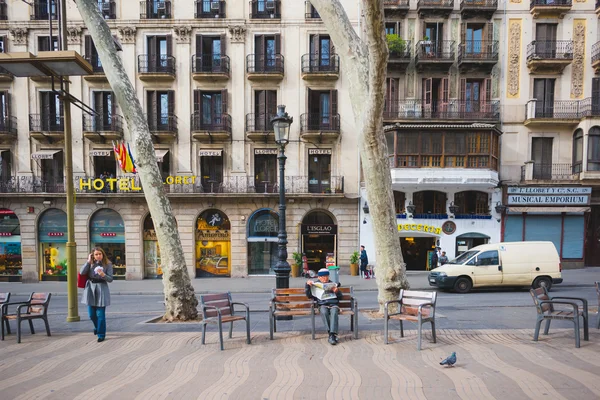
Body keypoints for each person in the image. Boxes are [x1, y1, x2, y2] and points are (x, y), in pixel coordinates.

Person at [80, 246, 113, 342]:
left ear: (103, 254)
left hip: (101, 288)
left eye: (100, 254)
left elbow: (110, 279)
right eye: (96, 254)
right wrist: (88, 262)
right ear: (93, 255)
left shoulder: (108, 264)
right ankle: (97, 327)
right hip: (90, 288)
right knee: (91, 315)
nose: (98, 256)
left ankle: (101, 334)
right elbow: (82, 272)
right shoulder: (90, 263)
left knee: (100, 315)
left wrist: (103, 275)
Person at [305, 268, 342, 345]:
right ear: (319, 277)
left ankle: (332, 335)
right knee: (324, 311)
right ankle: (331, 334)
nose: (325, 278)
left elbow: (340, 297)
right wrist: (307, 286)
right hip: (322, 305)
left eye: (327, 276)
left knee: (334, 311)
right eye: (323, 277)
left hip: (333, 304)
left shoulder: (333, 284)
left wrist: (337, 292)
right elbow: (309, 296)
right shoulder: (315, 285)